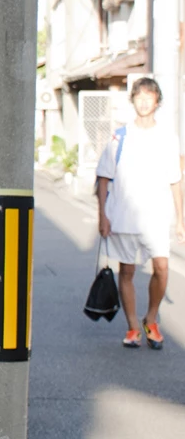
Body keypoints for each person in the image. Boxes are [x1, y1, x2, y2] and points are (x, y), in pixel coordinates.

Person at [95, 76, 185, 349]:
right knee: (128, 271)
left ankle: (151, 318)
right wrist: (102, 216)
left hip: (156, 217)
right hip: (123, 214)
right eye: (139, 96)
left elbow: (175, 179)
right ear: (132, 100)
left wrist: (181, 220)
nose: (144, 101)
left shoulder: (167, 137)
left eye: (149, 96)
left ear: (157, 101)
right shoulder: (120, 136)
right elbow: (103, 178)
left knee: (161, 267)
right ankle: (134, 326)